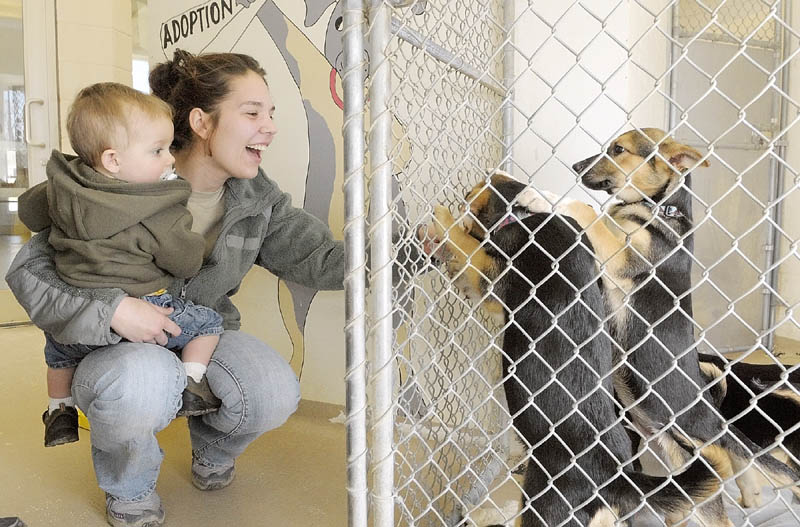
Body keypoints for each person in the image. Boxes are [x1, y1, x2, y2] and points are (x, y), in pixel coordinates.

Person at [6, 49, 344, 527]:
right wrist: (114, 310)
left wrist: (412, 252)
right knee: (142, 382)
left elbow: (321, 260)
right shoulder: (115, 182)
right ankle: (129, 487)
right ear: (202, 122)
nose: (269, 126)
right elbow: (30, 274)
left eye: (271, 114)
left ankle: (212, 450)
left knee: (272, 390)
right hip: (112, 344)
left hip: (197, 331)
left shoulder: (259, 202)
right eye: (252, 113)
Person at [19, 83, 226, 450]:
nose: (169, 159)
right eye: (157, 150)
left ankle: (59, 409)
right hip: (143, 313)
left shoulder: (61, 188)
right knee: (209, 324)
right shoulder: (157, 209)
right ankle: (193, 383)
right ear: (113, 160)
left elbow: (29, 212)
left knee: (58, 351)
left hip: (77, 320)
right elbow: (186, 261)